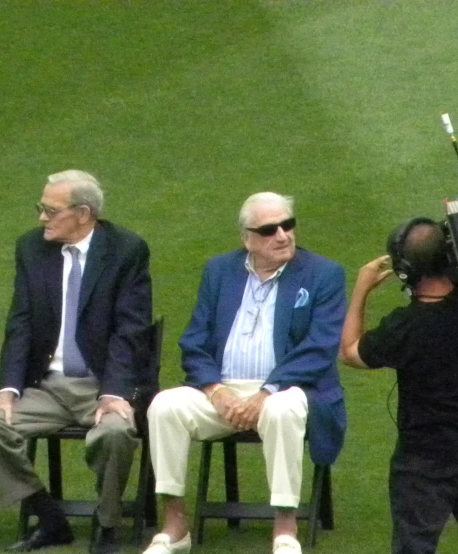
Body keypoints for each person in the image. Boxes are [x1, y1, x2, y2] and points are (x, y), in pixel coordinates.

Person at [144, 192, 346, 554]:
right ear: (247, 238)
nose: (282, 235)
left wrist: (265, 393)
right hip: (222, 392)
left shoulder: (323, 274)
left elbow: (319, 348)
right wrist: (216, 391)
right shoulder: (219, 270)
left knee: (283, 410)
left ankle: (285, 529)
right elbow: (194, 340)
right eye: (269, 229)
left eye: (288, 225)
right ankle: (175, 524)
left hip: (288, 390)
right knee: (164, 406)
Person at [0, 170, 153, 554]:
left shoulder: (126, 251)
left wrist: (114, 393)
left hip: (100, 384)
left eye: (50, 210)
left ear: (83, 213)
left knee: (115, 433)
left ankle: (107, 525)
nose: (42, 217)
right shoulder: (31, 248)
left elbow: (130, 331)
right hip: (47, 387)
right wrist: (7, 391)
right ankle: (47, 514)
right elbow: (20, 323)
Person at [339, 218, 458, 554]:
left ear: (406, 271)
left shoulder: (404, 327)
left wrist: (361, 288)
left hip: (426, 456)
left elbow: (350, 352)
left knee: (414, 547)